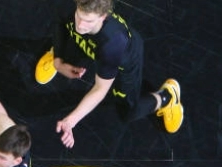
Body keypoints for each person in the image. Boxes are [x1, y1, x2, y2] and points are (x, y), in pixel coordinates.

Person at [47, 0, 183, 148]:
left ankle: (167, 97)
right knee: (69, 33)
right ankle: (56, 54)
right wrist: (58, 62)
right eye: (79, 16)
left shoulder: (113, 44)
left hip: (125, 62)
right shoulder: (75, 8)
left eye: (88, 21)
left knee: (128, 113)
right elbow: (60, 21)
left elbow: (100, 89)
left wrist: (70, 121)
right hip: (93, 45)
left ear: (103, 16)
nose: (80, 24)